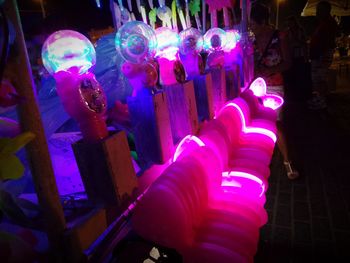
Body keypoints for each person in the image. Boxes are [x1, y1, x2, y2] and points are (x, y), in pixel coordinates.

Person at [250, 3, 299, 180]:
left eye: (254, 24)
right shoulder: (252, 42)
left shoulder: (280, 36)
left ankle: (287, 162)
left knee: (275, 123)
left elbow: (288, 63)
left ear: (263, 21)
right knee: (258, 122)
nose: (252, 28)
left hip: (275, 85)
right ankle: (263, 159)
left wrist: (269, 70)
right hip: (255, 86)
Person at [308, 1, 339, 110]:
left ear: (326, 11)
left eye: (319, 10)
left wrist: (319, 55)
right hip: (320, 56)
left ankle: (321, 102)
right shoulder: (325, 23)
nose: (317, 12)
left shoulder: (328, 23)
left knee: (318, 79)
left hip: (321, 56)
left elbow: (326, 42)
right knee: (319, 79)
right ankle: (321, 99)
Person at [284, 15, 312, 101]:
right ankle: (294, 93)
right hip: (291, 55)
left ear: (294, 22)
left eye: (291, 22)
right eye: (288, 23)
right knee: (292, 74)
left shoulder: (300, 31)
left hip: (300, 55)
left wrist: (306, 57)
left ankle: (299, 94)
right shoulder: (287, 32)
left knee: (300, 74)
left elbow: (304, 43)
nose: (289, 24)